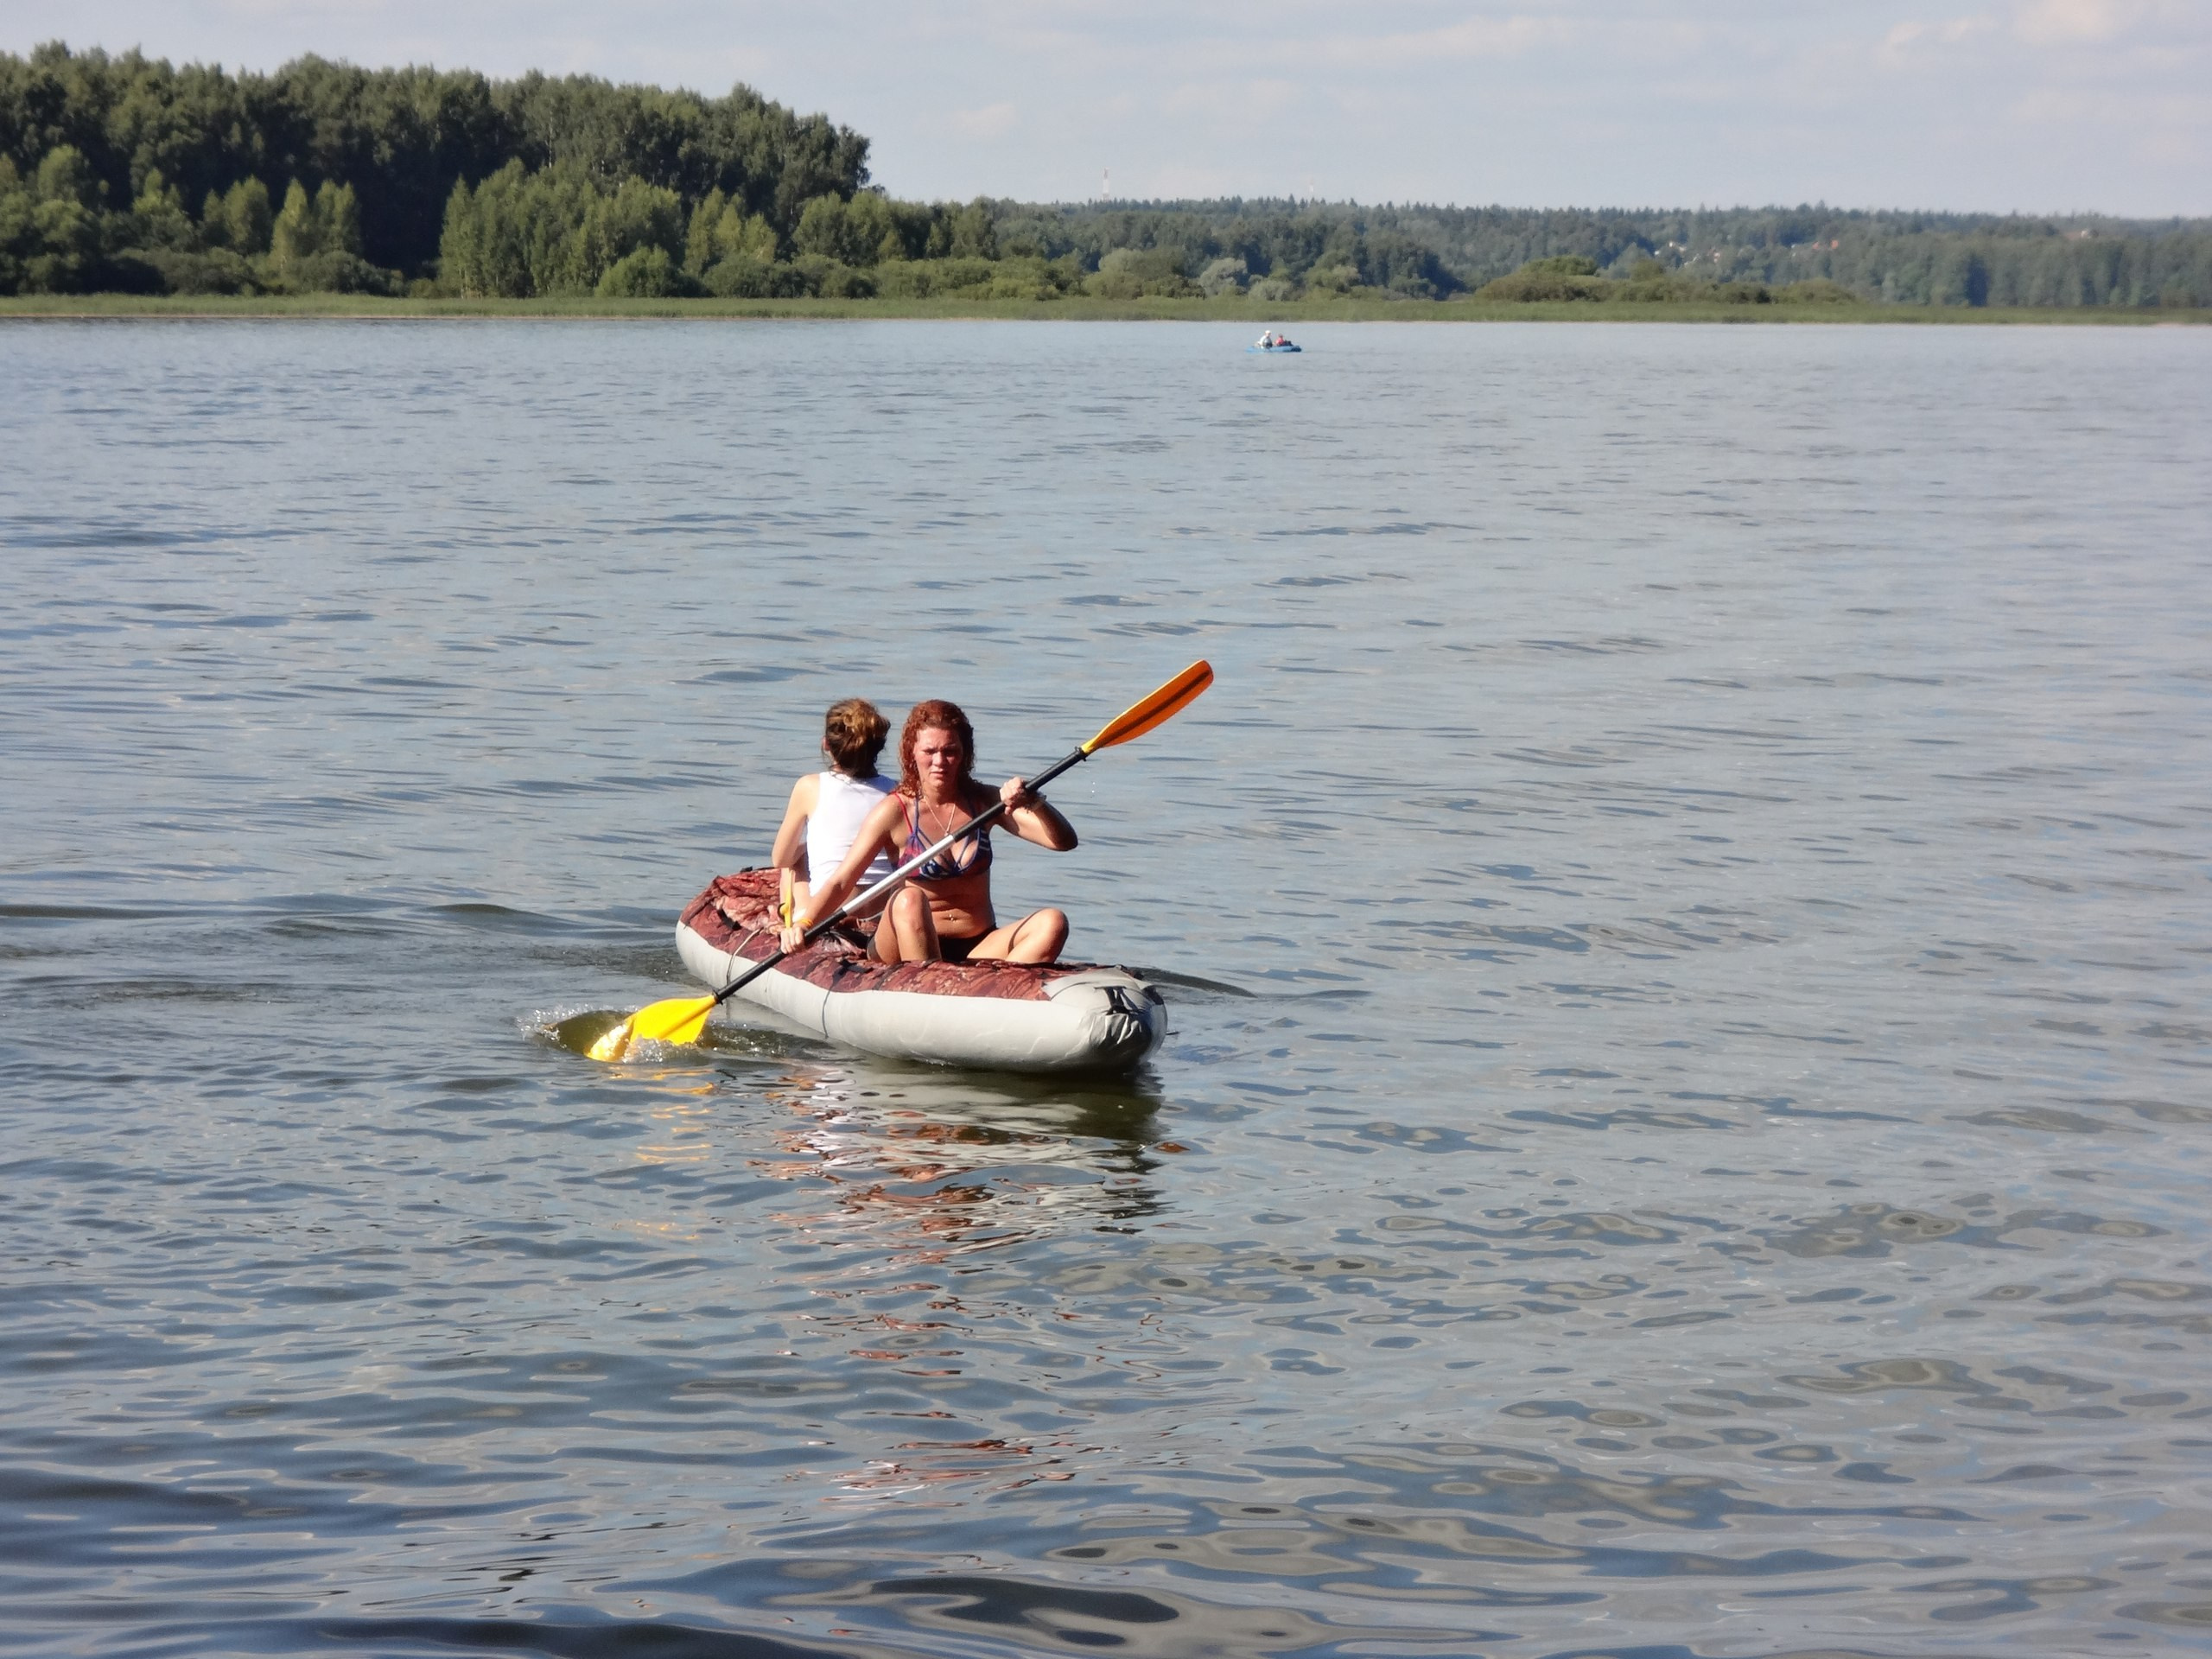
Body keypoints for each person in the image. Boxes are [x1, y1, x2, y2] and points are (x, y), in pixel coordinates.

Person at [785, 699, 1077, 964]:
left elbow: (1063, 842)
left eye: (950, 751)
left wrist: (1036, 803)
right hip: (903, 939)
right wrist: (805, 925)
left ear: (965, 754)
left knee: (1052, 922)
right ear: (912, 752)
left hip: (979, 944)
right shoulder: (894, 811)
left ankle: (994, 993)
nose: (940, 762)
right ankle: (933, 986)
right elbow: (842, 881)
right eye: (930, 751)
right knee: (909, 900)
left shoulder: (986, 802)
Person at [768, 697, 894, 926]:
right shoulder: (898, 791)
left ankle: (793, 917)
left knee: (794, 862)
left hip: (828, 912)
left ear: (826, 744)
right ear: (878, 747)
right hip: (882, 914)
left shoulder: (810, 786)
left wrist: (809, 848)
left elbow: (780, 858)